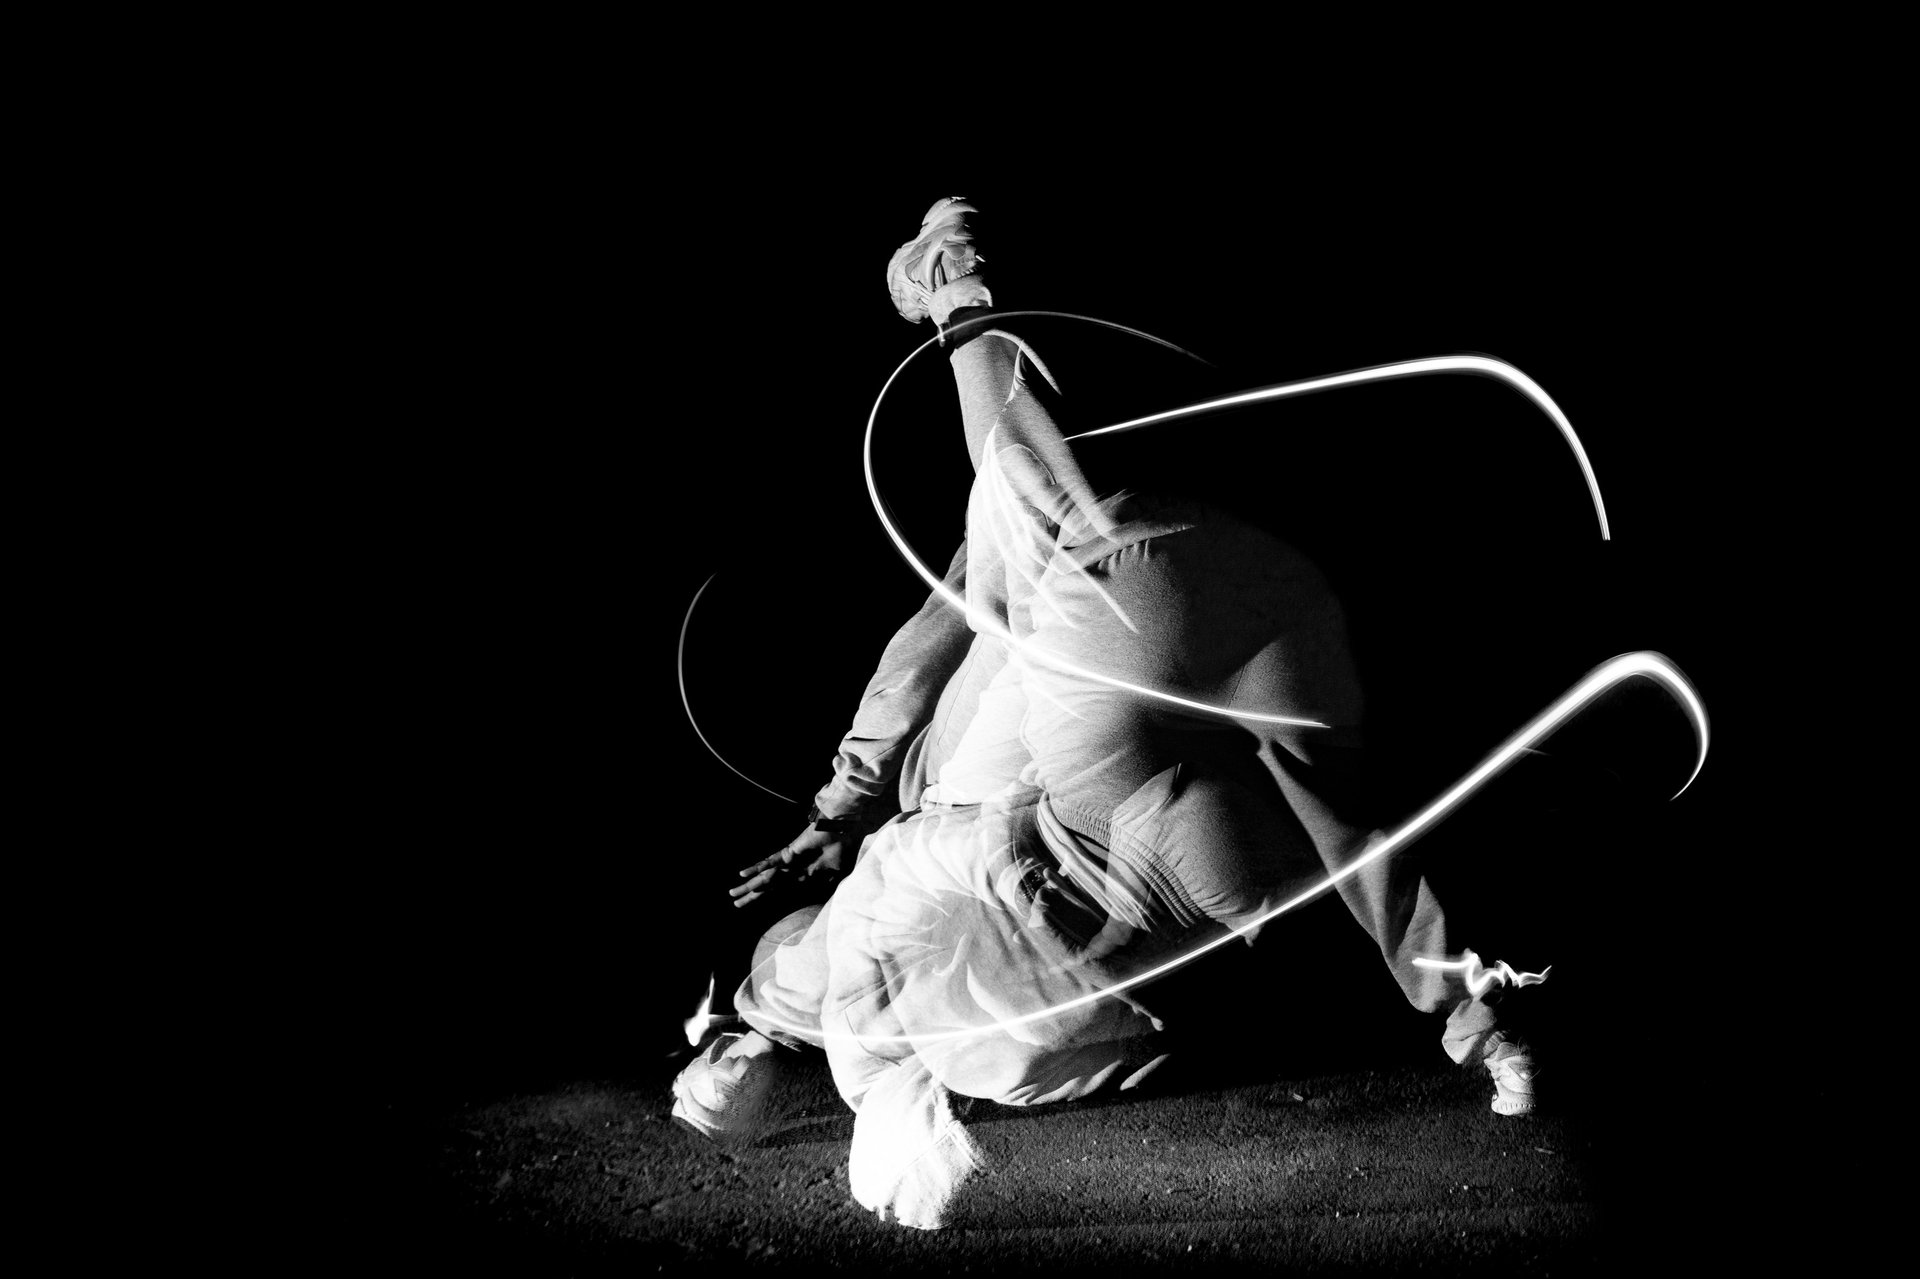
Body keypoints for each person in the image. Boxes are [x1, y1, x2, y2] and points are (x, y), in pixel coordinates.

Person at [670, 197, 1539, 1229]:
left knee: (1031, 531)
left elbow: (930, 647)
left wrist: (841, 812)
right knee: (1328, 815)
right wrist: (843, 812)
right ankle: (1475, 1020)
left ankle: (1474, 1020)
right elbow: (944, 619)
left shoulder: (895, 951)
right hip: (1254, 604)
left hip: (1171, 830)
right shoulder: (893, 928)